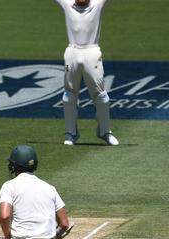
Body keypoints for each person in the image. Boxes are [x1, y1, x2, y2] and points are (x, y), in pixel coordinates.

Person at [54, 0, 119, 146]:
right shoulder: (67, 3)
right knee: (69, 95)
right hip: (72, 51)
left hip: (92, 51)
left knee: (101, 97)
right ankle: (71, 133)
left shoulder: (98, 3)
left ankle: (104, 132)